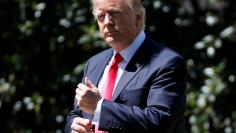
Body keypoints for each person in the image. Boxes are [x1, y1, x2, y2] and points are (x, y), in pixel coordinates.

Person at [65, 0, 187, 132]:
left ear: (138, 17)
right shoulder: (94, 63)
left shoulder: (166, 63)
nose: (107, 22)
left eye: (114, 13)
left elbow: (159, 122)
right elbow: (76, 113)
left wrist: (99, 107)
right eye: (101, 16)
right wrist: (74, 127)